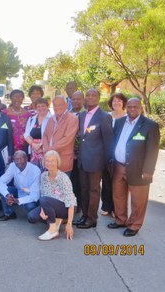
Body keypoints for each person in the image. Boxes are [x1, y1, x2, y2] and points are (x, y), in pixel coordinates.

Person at [108, 98, 160, 237]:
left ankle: (134, 224)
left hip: (138, 169)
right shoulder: (119, 122)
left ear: (141, 108)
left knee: (138, 200)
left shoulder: (150, 126)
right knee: (118, 196)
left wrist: (148, 170)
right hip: (119, 166)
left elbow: (153, 150)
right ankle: (120, 220)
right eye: (129, 107)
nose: (132, 109)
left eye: (135, 107)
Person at [74, 88, 113, 229]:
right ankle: (84, 215)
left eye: (93, 95)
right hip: (82, 161)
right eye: (88, 95)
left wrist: (108, 162)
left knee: (93, 190)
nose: (90, 98)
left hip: (96, 162)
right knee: (83, 189)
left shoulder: (104, 116)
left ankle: (92, 219)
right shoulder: (82, 115)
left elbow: (108, 142)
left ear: (98, 98)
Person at [28, 151, 76, 241]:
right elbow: (44, 194)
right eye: (47, 160)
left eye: (53, 160)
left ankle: (53, 229)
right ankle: (56, 219)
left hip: (65, 207)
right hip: (48, 204)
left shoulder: (63, 178)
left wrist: (69, 224)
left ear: (57, 162)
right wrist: (43, 210)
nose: (49, 163)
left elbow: (71, 202)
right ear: (44, 162)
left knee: (44, 200)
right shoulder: (43, 176)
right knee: (31, 217)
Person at [101, 92, 128, 217]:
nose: (116, 103)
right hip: (107, 153)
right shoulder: (107, 116)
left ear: (123, 103)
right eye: (114, 101)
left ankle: (116, 208)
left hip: (121, 154)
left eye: (119, 101)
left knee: (119, 183)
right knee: (106, 180)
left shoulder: (128, 117)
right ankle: (106, 206)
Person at [0, 150, 40, 221]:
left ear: (26, 158)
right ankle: (9, 213)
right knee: (5, 190)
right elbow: (0, 182)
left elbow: (35, 195)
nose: (19, 161)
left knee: (30, 207)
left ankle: (36, 212)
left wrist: (16, 201)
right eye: (16, 159)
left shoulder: (35, 170)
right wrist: (7, 195)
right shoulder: (13, 166)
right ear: (13, 160)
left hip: (30, 194)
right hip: (19, 190)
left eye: (21, 158)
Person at [42, 95, 78, 175]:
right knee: (51, 185)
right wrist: (47, 148)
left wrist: (50, 150)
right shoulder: (51, 119)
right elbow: (45, 135)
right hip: (50, 160)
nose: (57, 107)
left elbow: (67, 139)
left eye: (60, 105)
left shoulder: (72, 119)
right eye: (55, 105)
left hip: (63, 160)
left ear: (66, 105)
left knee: (63, 186)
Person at [24, 98, 51, 170]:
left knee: (46, 172)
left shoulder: (52, 119)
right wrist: (33, 144)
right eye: (38, 106)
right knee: (35, 172)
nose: (41, 108)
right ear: (36, 108)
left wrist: (42, 147)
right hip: (34, 151)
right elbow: (26, 134)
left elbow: (53, 136)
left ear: (47, 106)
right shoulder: (31, 119)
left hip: (46, 151)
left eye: (43, 106)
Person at [69, 91, 85, 211]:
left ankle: (81, 204)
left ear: (83, 100)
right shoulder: (67, 114)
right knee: (71, 180)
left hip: (83, 154)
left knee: (81, 182)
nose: (76, 101)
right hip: (69, 154)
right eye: (74, 99)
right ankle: (72, 204)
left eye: (78, 99)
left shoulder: (86, 114)